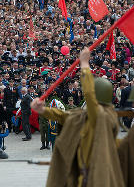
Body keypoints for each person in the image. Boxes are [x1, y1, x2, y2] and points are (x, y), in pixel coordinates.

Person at [31, 48, 125, 187]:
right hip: (82, 177)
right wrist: (43, 110)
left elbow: (89, 96)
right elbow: (64, 116)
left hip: (98, 179)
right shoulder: (86, 114)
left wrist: (85, 66)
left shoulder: (104, 116)